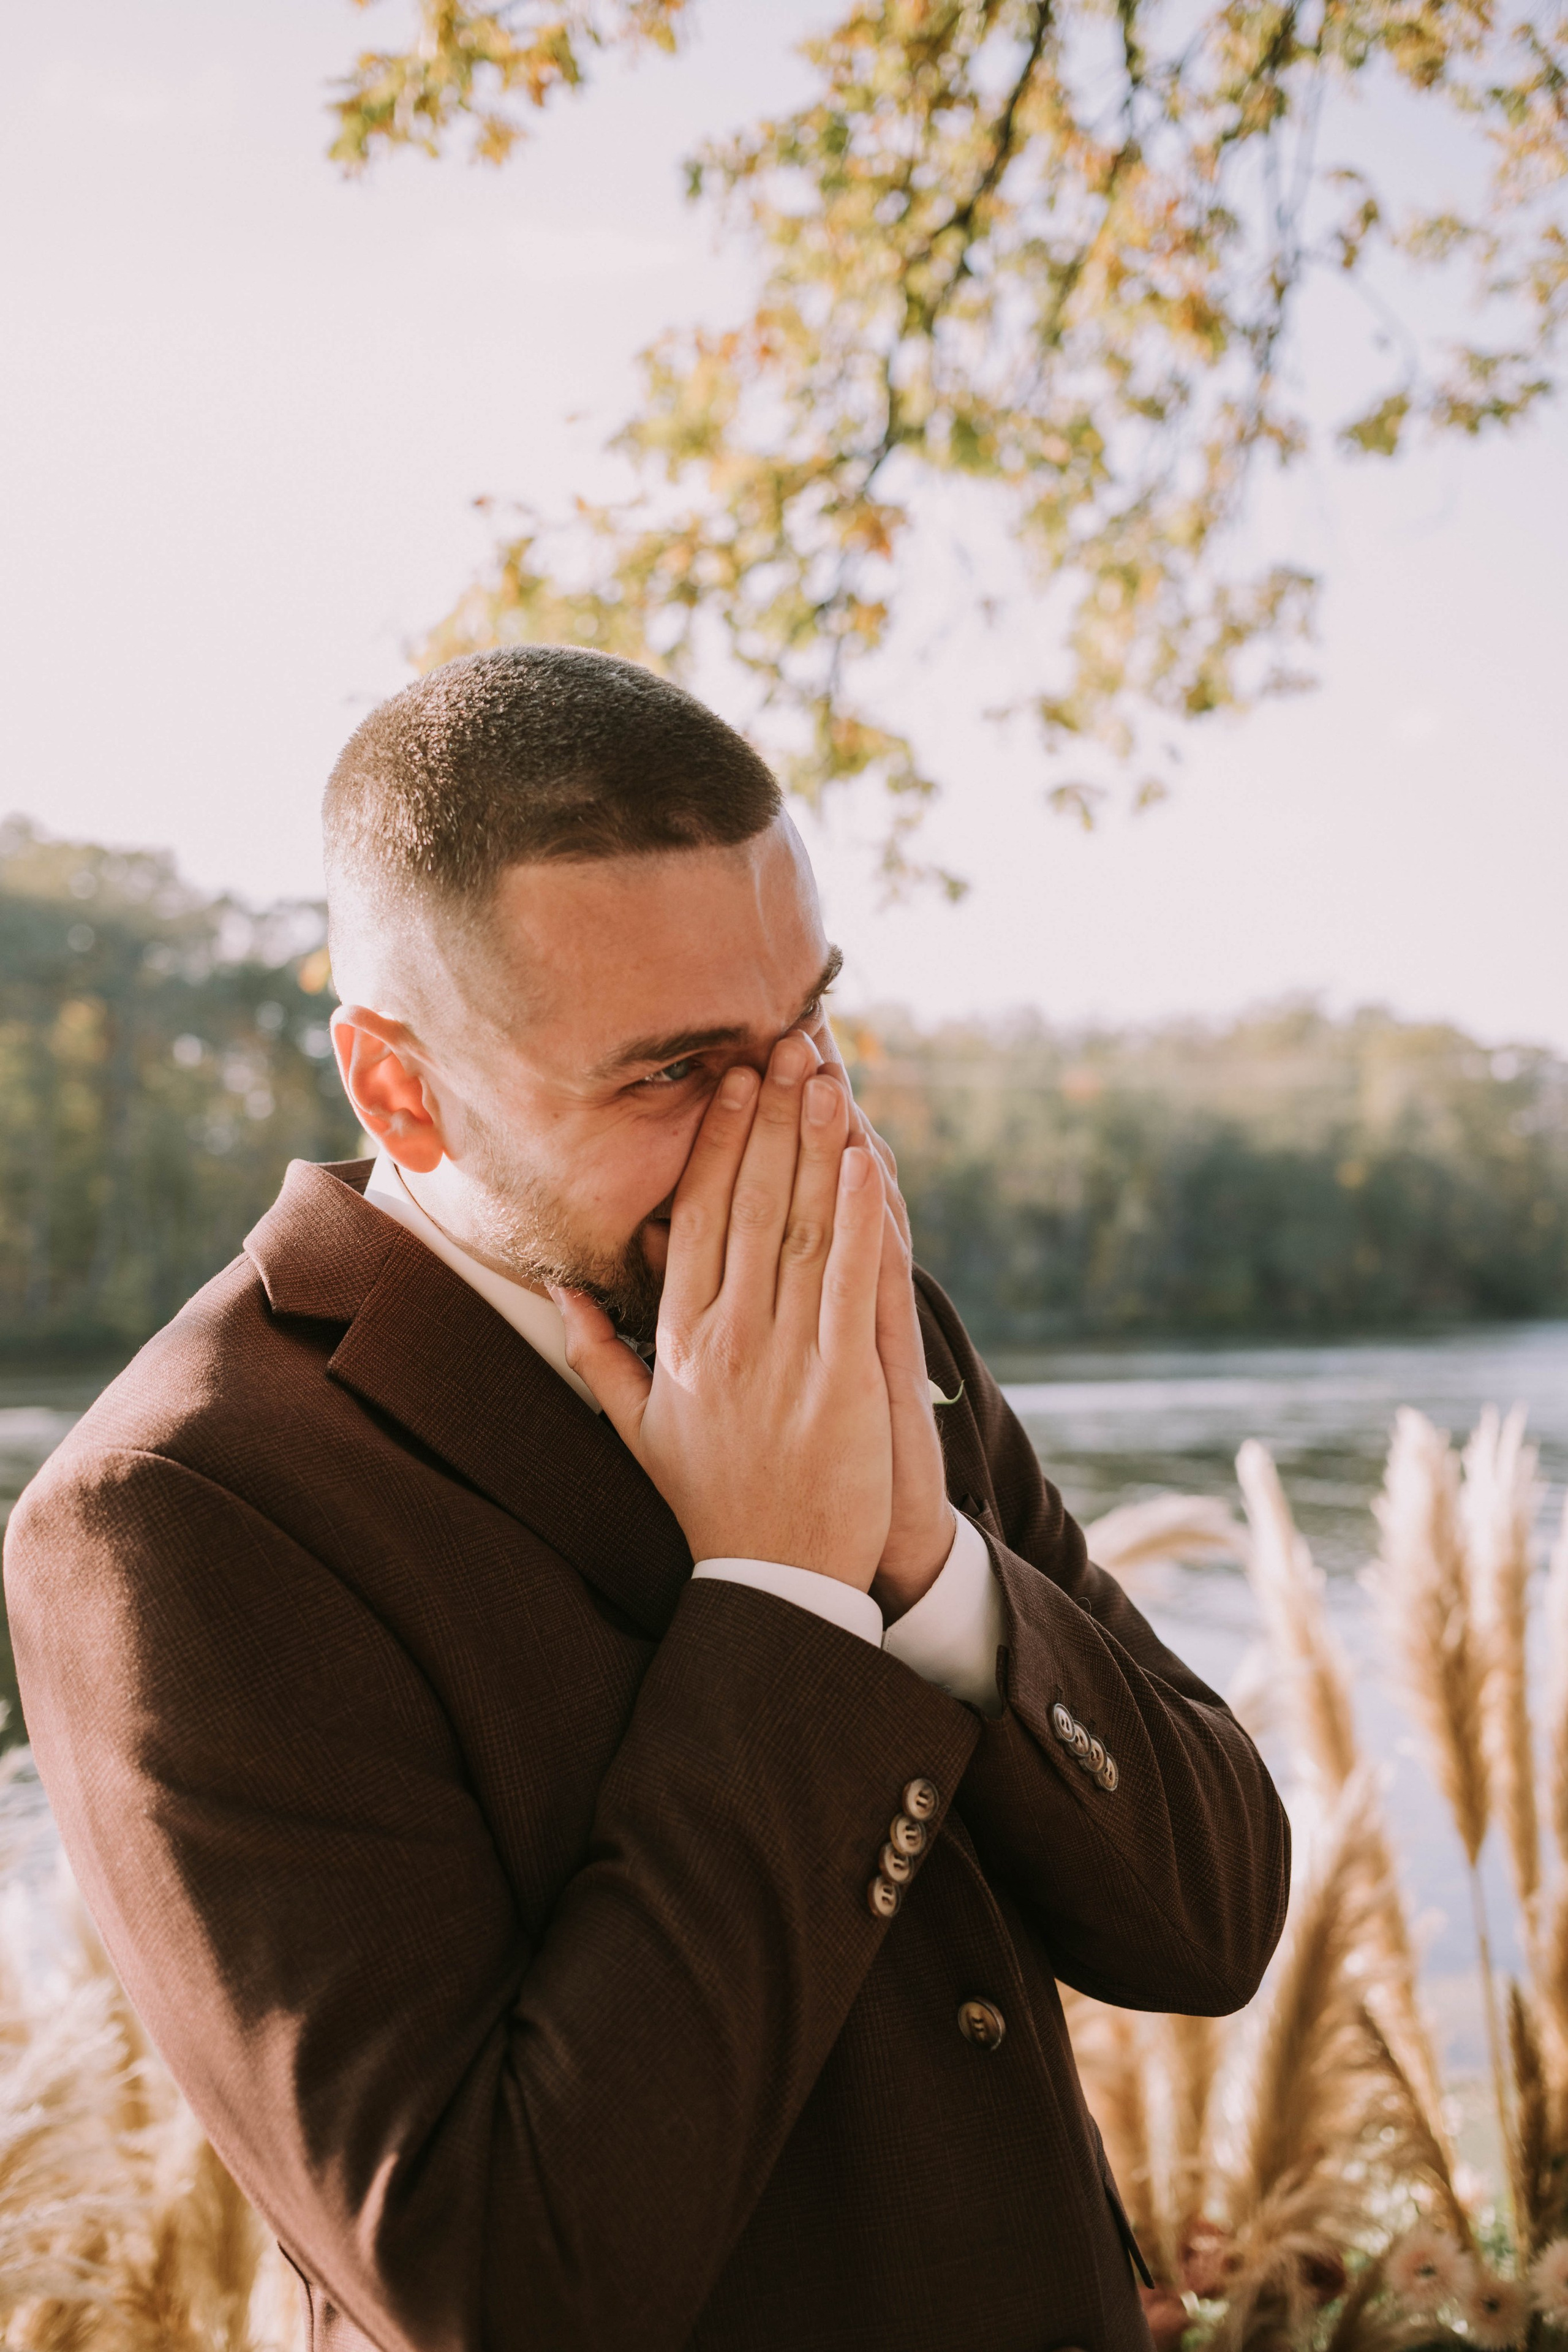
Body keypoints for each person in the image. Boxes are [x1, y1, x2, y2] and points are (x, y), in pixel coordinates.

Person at [5, 647, 1289, 2352]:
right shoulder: (179, 1511)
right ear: (402, 1086)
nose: (796, 1129)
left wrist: (926, 1569)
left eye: (808, 1024)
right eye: (675, 1072)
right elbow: (497, 2284)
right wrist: (783, 1600)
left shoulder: (860, 1306)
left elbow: (1214, 1924)